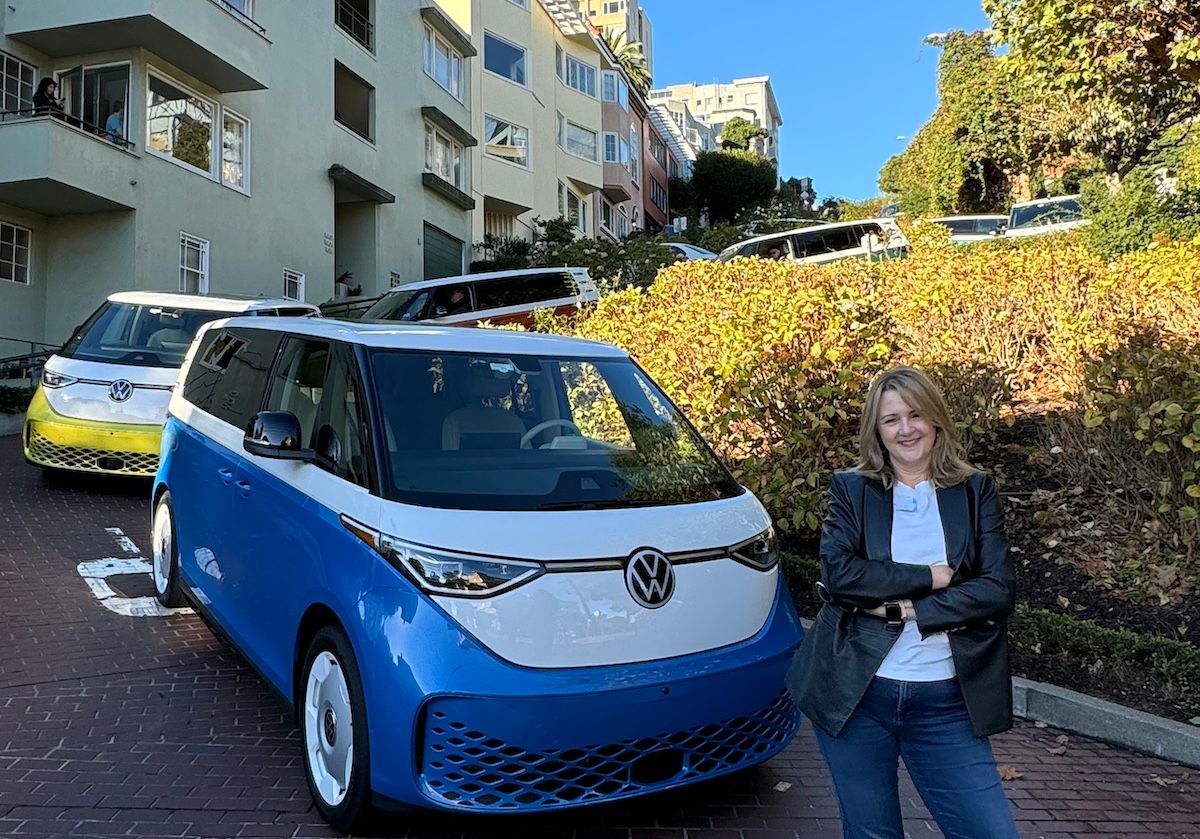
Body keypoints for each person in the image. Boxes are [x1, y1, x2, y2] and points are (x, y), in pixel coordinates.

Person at [790, 365, 1019, 839]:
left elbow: (997, 590)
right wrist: (933, 576)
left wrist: (909, 608)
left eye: (916, 415)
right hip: (857, 692)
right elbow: (842, 575)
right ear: (877, 429)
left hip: (946, 699)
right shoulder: (852, 489)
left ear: (936, 419)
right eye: (891, 419)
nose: (906, 429)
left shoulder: (975, 491)